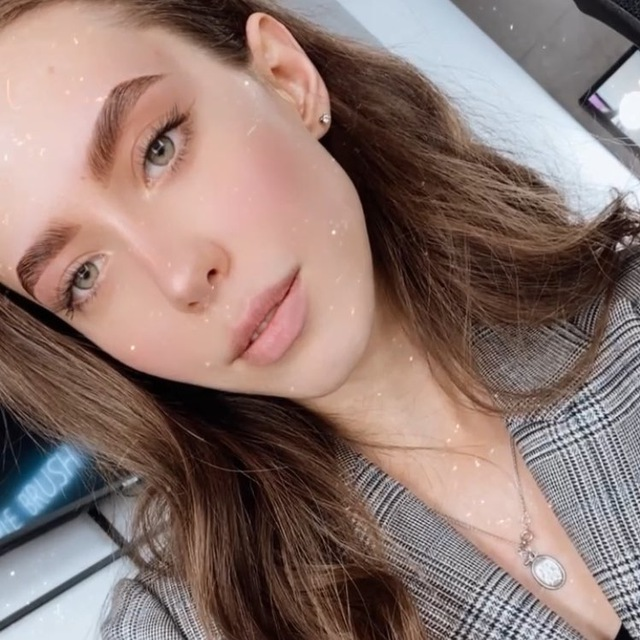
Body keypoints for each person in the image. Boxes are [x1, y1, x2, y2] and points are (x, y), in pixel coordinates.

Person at [0, 0, 638, 638]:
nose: (181, 276)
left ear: (285, 78)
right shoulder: (188, 625)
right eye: (83, 277)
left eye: (159, 148)